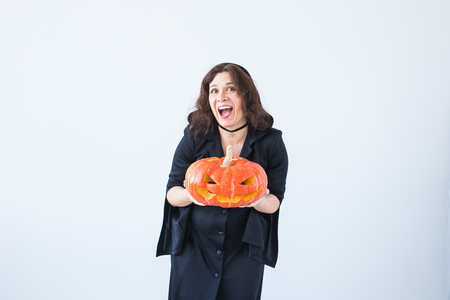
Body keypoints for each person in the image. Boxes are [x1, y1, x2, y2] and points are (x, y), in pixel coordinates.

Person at [156, 63, 288, 300]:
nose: (221, 96)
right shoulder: (195, 135)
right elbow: (172, 193)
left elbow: (274, 201)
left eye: (230, 89)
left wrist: (255, 199)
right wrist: (194, 194)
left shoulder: (271, 142)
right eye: (214, 90)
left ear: (246, 95)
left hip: (244, 252)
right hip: (194, 249)